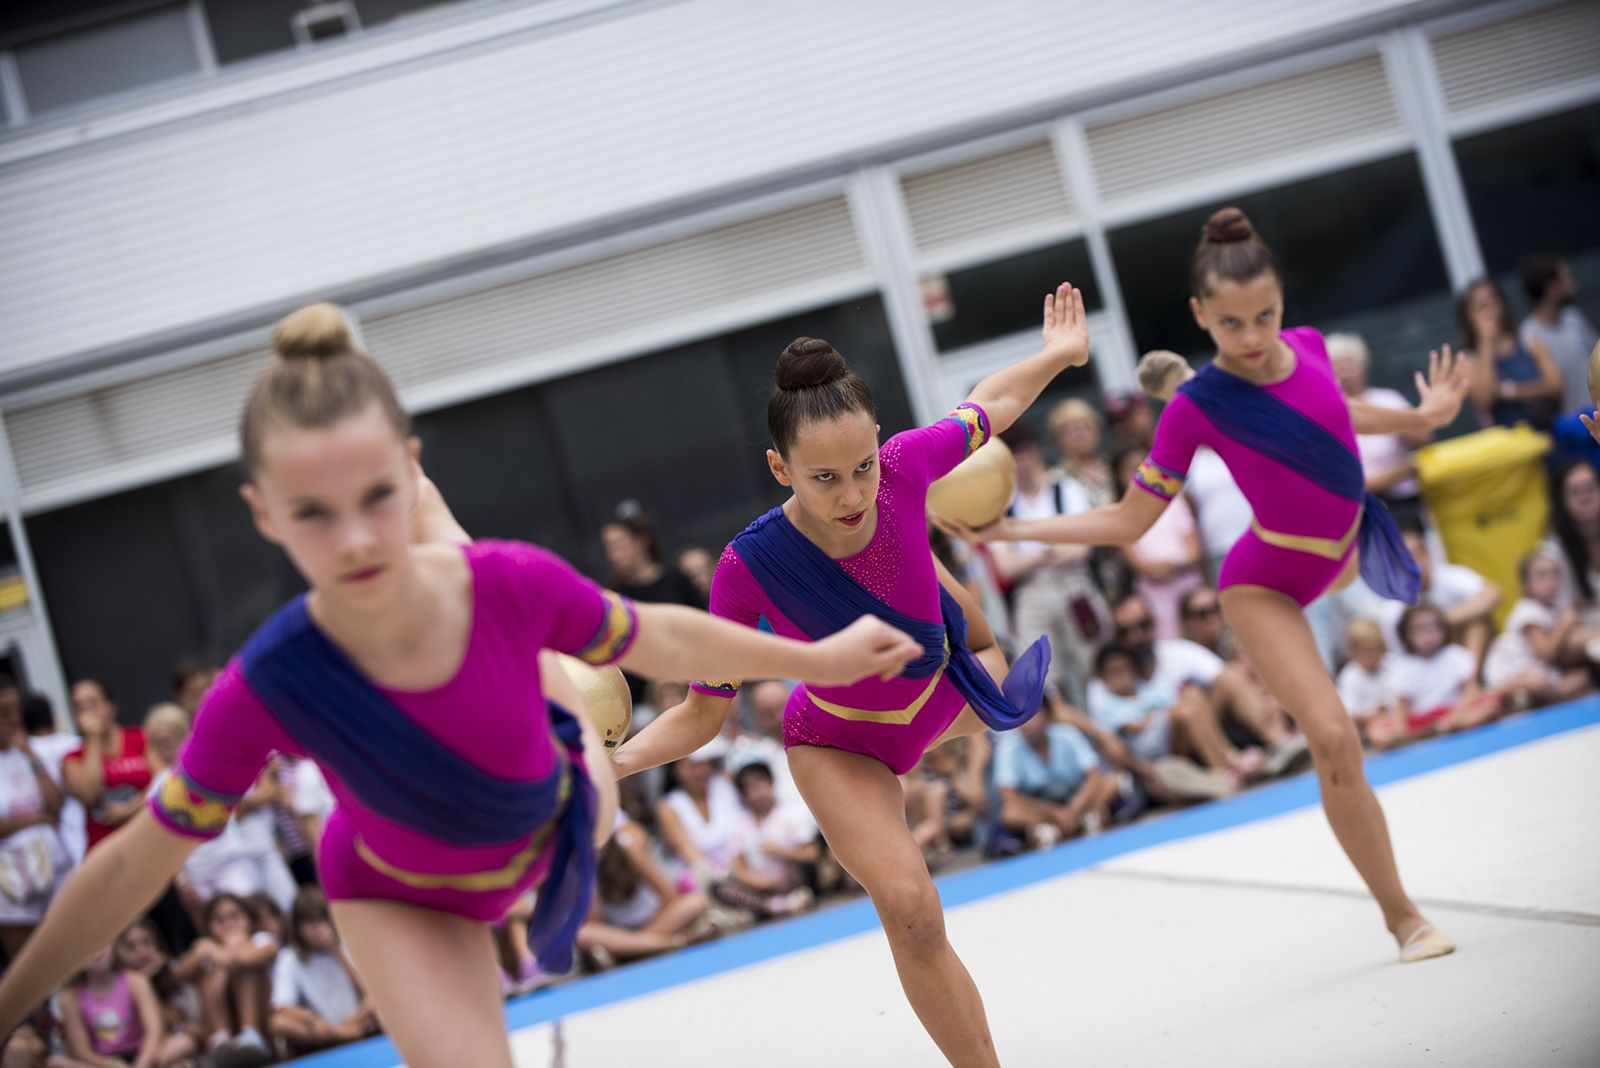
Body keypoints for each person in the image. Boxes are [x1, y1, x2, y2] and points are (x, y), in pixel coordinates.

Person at [0, 302, 919, 1068]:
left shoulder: (506, 582)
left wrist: (819, 660)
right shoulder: (273, 680)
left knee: (473, 577)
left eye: (376, 495)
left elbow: (661, 635)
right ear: (262, 513)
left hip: (557, 788)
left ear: (403, 463)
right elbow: (131, 861)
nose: (355, 540)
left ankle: (466, 564)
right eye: (312, 513)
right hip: (398, 892)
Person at [943, 207, 1469, 965]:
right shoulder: (1194, 410)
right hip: (1266, 582)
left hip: (1349, 549)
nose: (1252, 337)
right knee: (1333, 736)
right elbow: (1128, 520)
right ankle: (1404, 918)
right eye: (1229, 324)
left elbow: (1336, 411)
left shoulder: (1310, 347)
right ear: (1199, 314)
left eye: (1264, 316)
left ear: (1283, 302)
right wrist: (1008, 533)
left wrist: (1420, 416)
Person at [614, 283, 1094, 1067]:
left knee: (983, 657)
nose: (853, 494)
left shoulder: (904, 466)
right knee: (912, 909)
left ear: (878, 440)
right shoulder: (747, 567)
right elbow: (703, 714)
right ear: (780, 468)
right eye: (825, 478)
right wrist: (617, 760)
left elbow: (992, 405)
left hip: (946, 692)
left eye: (862, 466)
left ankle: (933, 593)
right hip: (842, 742)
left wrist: (1058, 354)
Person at [987, 423, 1109, 704]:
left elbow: (1082, 549)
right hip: (1033, 594)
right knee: (1042, 679)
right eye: (1014, 454)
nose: (1022, 460)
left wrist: (1031, 554)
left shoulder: (1065, 488)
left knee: (1093, 665)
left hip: (1075, 586)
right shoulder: (1001, 503)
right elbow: (1005, 568)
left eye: (1025, 451)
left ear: (1036, 451)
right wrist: (1050, 551)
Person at [576, 813, 711, 968]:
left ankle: (630, 951)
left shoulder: (629, 849)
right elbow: (594, 922)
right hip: (618, 933)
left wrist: (639, 936)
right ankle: (675, 942)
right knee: (583, 934)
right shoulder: (582, 869)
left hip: (655, 921)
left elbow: (670, 895)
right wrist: (589, 873)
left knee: (695, 902)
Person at [1327, 332, 1433, 527]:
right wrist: (1406, 469)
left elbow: (1424, 436)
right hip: (1357, 508)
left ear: (1363, 365)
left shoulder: (1388, 399)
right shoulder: (1327, 414)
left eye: (1349, 363)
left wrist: (1396, 423)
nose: (1344, 372)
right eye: (1337, 366)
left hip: (1404, 503)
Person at [0, 682, 68, 963]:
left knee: (68, 950)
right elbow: (46, 816)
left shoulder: (34, 750)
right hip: (11, 883)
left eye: (16, 710)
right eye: (4, 712)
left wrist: (30, 756)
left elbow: (56, 804)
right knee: (28, 963)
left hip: (55, 869)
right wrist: (38, 820)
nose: (13, 719)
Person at [1378, 524, 1501, 674]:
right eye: (1405, 558)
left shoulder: (1448, 576)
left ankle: (1471, 678)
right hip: (1426, 669)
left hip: (1465, 654)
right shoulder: (1392, 610)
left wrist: (1442, 621)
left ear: (1428, 554)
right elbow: (1400, 657)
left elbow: (1493, 594)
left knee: (1478, 620)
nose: (1414, 563)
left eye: (1417, 554)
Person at [269, 887, 378, 1055]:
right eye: (310, 922)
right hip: (321, 1028)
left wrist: (336, 951)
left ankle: (343, 1033)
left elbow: (369, 992)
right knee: (278, 1022)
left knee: (377, 1001)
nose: (318, 928)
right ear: (297, 926)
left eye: (322, 920)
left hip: (357, 1018)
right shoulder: (289, 957)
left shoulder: (347, 943)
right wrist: (313, 1019)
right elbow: (282, 1006)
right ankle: (343, 1035)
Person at [1112, 447, 1204, 640]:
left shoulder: (1175, 501)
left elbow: (1194, 548)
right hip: (1152, 588)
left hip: (1187, 580)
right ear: (1119, 476)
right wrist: (1154, 569)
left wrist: (1172, 566)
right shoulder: (1119, 513)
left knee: (1198, 633)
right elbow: (1133, 558)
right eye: (1132, 469)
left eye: (1145, 467)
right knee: (1166, 638)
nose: (1140, 474)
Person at [1483, 551, 1593, 707]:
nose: (1550, 582)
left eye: (1555, 575)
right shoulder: (1528, 611)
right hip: (1514, 671)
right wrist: (1564, 626)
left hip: (1543, 671)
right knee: (1539, 683)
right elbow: (1546, 654)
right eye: (1542, 576)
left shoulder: (1555, 607)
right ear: (1525, 584)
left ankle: (1530, 698)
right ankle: (1505, 693)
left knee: (1586, 676)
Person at [59, 942, 192, 1068]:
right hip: (103, 1062)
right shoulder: (70, 997)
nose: (96, 953)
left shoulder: (135, 980)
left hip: (142, 1052)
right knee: (58, 1063)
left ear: (113, 945)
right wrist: (113, 1065)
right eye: (87, 948)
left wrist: (141, 1065)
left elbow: (154, 1031)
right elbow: (81, 1052)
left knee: (183, 1043)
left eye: (101, 944)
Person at [1384, 604, 1502, 742]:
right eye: (1420, 628)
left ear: (1444, 629)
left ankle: (1446, 730)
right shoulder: (1402, 666)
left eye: (1433, 627)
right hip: (1419, 721)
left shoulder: (1456, 655)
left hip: (1455, 713)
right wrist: (1401, 731)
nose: (1428, 634)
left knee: (1490, 703)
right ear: (1406, 634)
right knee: (1379, 730)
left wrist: (1454, 717)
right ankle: (1418, 738)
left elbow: (1472, 691)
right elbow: (1401, 706)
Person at [1461, 277, 1563, 430]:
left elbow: (1556, 385)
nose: (1489, 311)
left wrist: (1509, 391)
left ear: (1502, 304)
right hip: (1508, 440)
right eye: (1481, 307)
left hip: (1548, 431)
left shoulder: (1529, 340)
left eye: (1492, 301)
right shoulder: (1467, 359)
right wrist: (1486, 342)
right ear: (1468, 315)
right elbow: (1484, 400)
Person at [62, 680, 151, 853]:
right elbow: (89, 794)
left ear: (111, 705)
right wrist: (94, 739)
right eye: (80, 707)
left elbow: (163, 782)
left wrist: (131, 809)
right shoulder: (73, 758)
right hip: (106, 847)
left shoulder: (141, 738)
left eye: (93, 703)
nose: (88, 712)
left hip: (147, 839)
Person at [1519, 253, 1599, 416]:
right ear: (1551, 288)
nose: (1571, 282)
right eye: (1565, 277)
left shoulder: (1573, 318)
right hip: (1570, 421)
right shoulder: (1529, 333)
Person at [1543, 459, 1600, 626]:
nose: (1585, 497)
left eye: (1590, 488)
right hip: (1580, 631)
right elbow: (1559, 618)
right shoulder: (1553, 551)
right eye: (1575, 492)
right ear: (1562, 500)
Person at [1336, 618, 1400, 748]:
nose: (1371, 656)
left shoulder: (1392, 664)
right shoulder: (1350, 676)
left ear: (1383, 647)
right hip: (1367, 727)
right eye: (1365, 652)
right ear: (1353, 652)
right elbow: (1350, 715)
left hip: (1397, 717)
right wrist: (1373, 716)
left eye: (1375, 650)